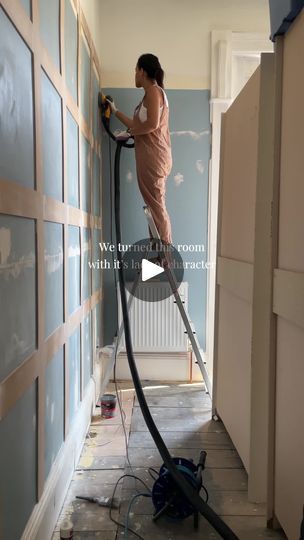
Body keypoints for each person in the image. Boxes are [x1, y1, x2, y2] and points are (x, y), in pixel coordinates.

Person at [107, 53, 173, 245]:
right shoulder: (149, 94)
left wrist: (130, 132)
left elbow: (152, 124)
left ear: (142, 71)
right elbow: (138, 124)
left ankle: (166, 254)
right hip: (151, 156)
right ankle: (158, 250)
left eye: (136, 70)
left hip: (154, 156)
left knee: (157, 205)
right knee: (153, 206)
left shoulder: (153, 91)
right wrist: (115, 110)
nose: (134, 74)